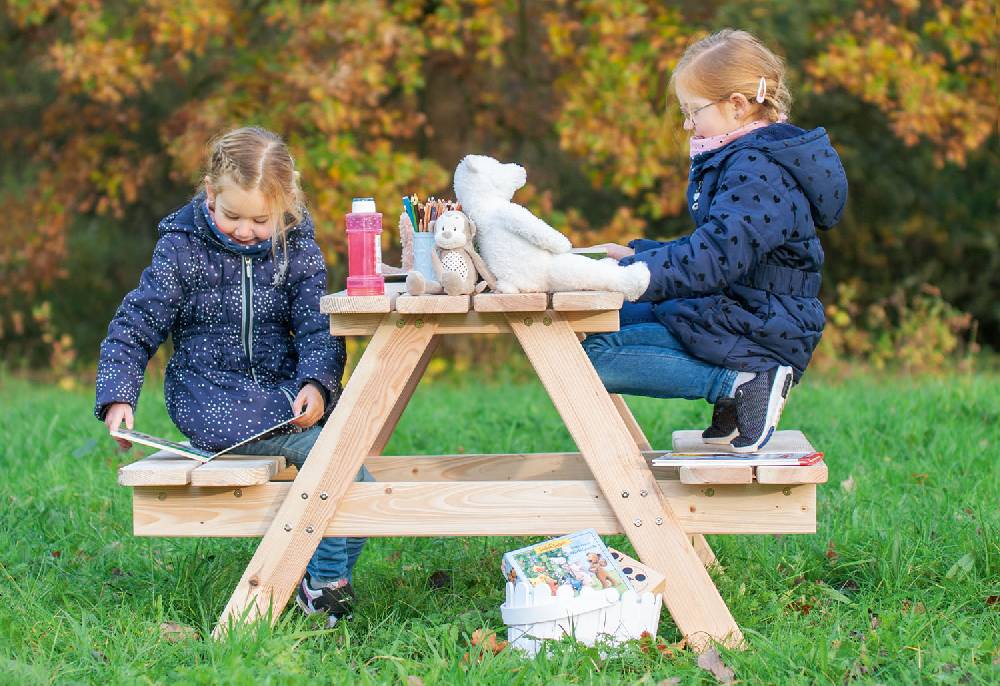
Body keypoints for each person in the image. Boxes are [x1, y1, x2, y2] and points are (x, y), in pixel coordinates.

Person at [95, 126, 368, 626]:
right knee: (331, 464)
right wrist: (118, 395)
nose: (245, 230)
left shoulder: (296, 249)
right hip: (212, 399)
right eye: (232, 215)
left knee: (359, 475)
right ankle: (326, 583)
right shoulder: (181, 249)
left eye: (261, 219)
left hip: (284, 395)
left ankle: (315, 581)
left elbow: (318, 327)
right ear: (209, 193)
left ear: (285, 207)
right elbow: (136, 323)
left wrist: (316, 384)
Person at [587, 29, 848, 452]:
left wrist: (640, 274)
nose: (688, 123)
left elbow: (716, 258)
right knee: (596, 323)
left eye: (693, 110)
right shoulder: (747, 157)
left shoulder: (758, 168)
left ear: (738, 106)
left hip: (762, 325)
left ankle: (741, 382)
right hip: (744, 309)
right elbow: (723, 244)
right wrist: (645, 255)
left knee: (582, 358)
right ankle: (732, 395)